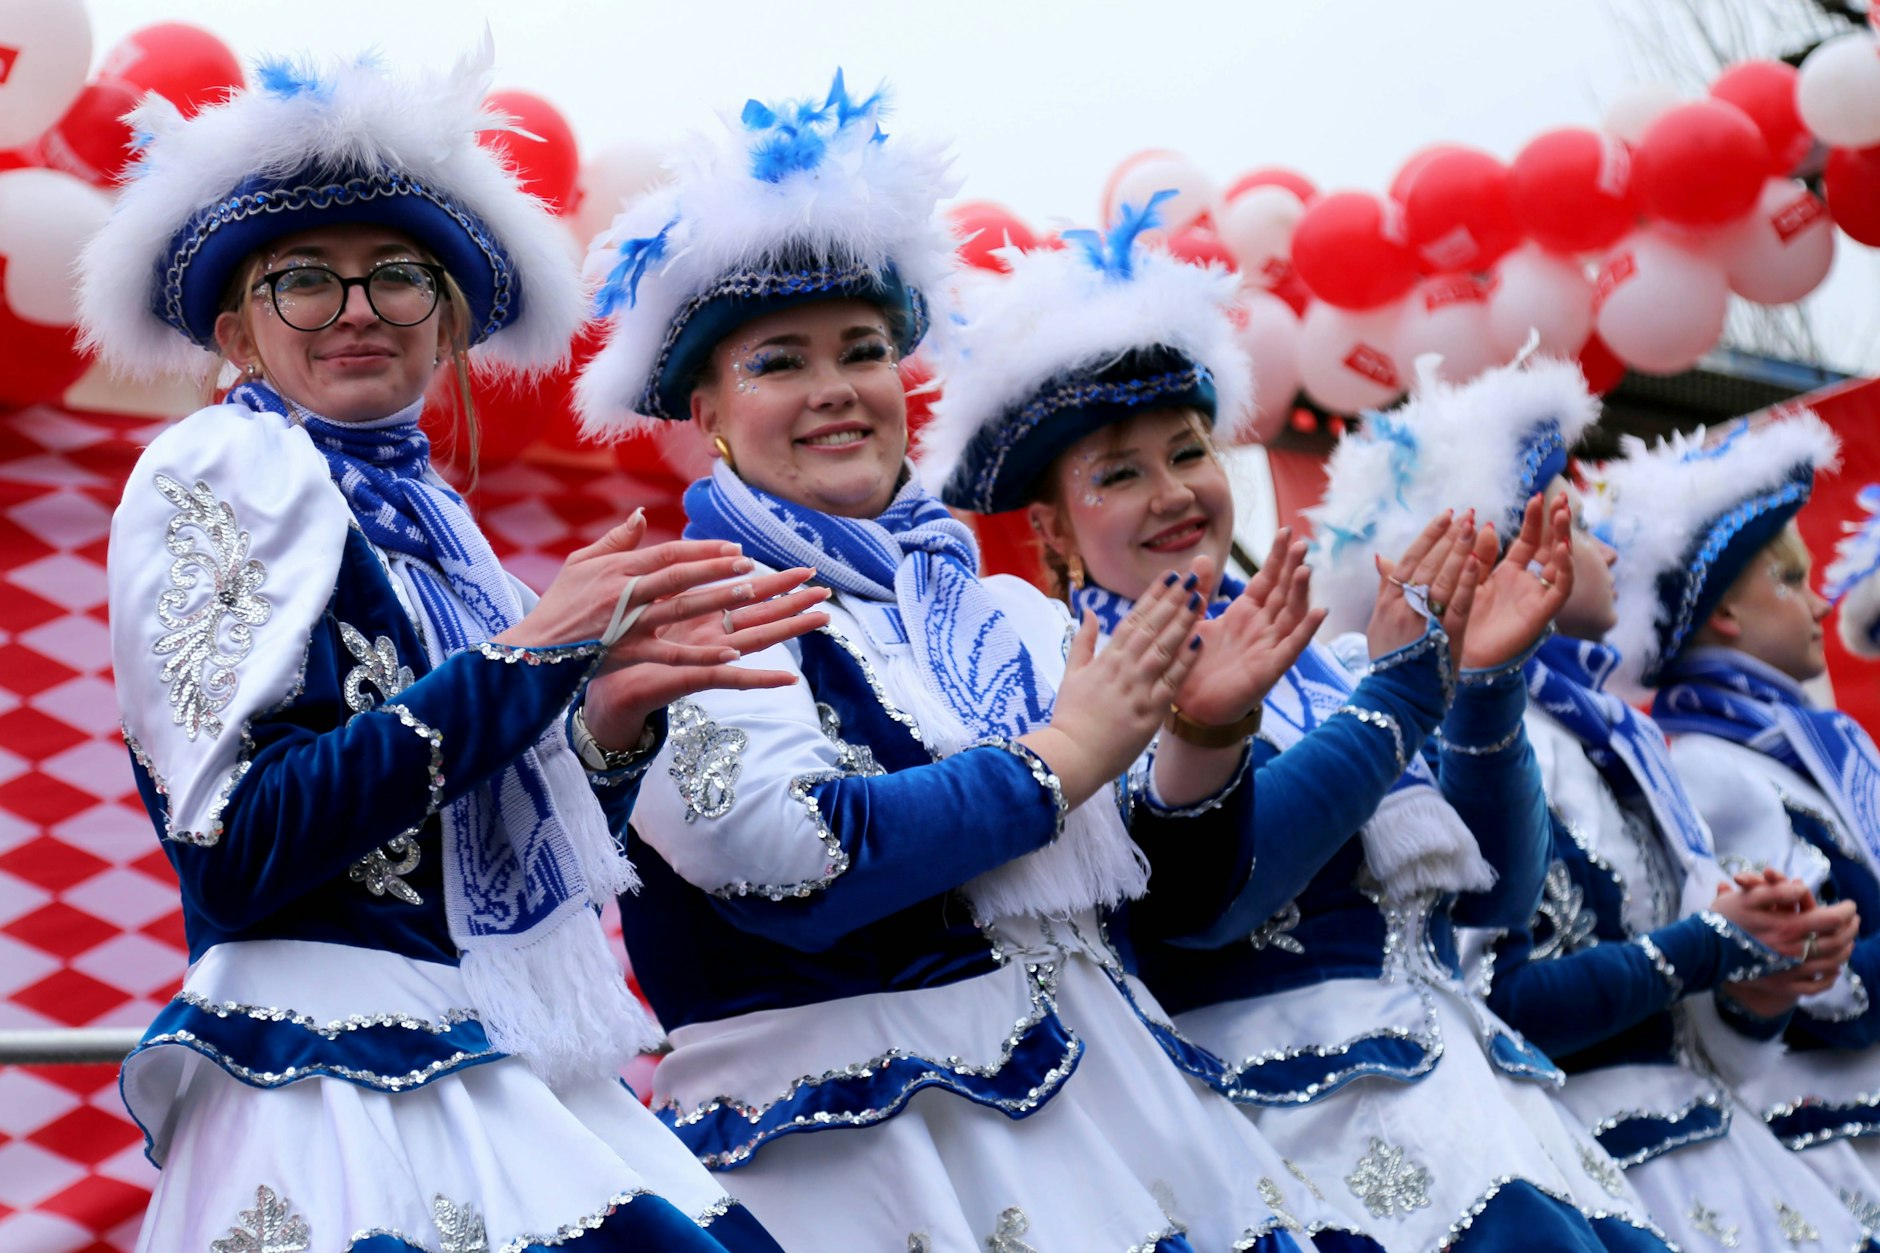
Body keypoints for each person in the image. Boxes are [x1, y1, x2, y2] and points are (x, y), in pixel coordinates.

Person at [575, 75, 1379, 1251]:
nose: (835, 388)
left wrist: (1203, 739)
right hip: (865, 1148)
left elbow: (1175, 909)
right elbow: (794, 864)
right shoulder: (693, 605)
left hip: (1122, 1119)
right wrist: (1055, 760)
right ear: (705, 407)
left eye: (860, 350)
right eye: (778, 362)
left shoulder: (1011, 613)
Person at [80, 47, 812, 1251]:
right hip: (342, 1078)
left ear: (448, 325)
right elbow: (240, 849)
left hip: (493, 1046)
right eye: (304, 280)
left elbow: (484, 831)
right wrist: (527, 662)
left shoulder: (447, 538)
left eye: (400, 278)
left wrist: (604, 724)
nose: (358, 308)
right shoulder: (227, 466)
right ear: (237, 332)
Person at [921, 214, 1675, 1250]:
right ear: (1049, 528)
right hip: (1295, 1132)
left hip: (1478, 1107)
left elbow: (1493, 900)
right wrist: (1401, 702)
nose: (1173, 489)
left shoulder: (1329, 662)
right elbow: (1206, 904)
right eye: (1118, 472)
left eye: (1187, 450)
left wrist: (1485, 687)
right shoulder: (1063, 682)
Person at [1356, 363, 1873, 1250]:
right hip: (1603, 1165)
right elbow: (1491, 1000)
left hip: (1724, 1149)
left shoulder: (1612, 739)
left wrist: (1761, 975)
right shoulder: (1475, 737)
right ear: (1493, 557)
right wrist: (1708, 947)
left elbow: (1712, 1034)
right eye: (1575, 523)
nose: (1604, 553)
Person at [1603, 414, 1880, 1218]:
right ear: (1723, 614)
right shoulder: (1708, 765)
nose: (1820, 602)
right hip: (1828, 1142)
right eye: (1789, 580)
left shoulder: (1807, 749)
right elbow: (1791, 977)